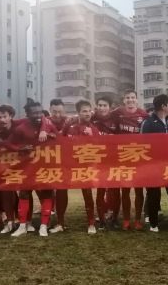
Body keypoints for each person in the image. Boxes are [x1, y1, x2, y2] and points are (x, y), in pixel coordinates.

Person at [9, 102, 58, 237]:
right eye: (34, 113)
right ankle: (22, 225)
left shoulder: (47, 124)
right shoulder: (21, 129)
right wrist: (20, 149)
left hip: (45, 166)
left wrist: (50, 135)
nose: (38, 115)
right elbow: (10, 144)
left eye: (40, 112)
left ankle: (43, 226)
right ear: (27, 114)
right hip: (28, 167)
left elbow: (58, 138)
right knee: (24, 194)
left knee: (47, 194)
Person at [140, 94, 168, 232]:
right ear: (163, 106)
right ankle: (153, 223)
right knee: (153, 194)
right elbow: (143, 145)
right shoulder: (148, 123)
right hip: (154, 165)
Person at [111, 90, 148, 230]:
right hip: (123, 157)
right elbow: (102, 117)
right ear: (124, 100)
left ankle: (138, 219)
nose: (130, 100)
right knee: (125, 190)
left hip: (138, 157)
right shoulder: (117, 112)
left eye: (133, 97)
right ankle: (126, 219)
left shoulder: (144, 114)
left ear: (137, 100)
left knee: (139, 191)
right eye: (128, 98)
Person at [63, 100, 100, 234]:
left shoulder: (94, 129)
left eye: (89, 110)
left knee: (88, 195)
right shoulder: (70, 127)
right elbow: (63, 144)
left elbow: (100, 148)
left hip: (86, 167)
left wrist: (92, 136)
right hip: (70, 167)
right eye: (84, 111)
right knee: (62, 191)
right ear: (78, 112)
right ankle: (60, 222)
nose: (87, 113)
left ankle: (91, 223)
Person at [91, 95, 117, 229]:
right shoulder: (91, 118)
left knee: (113, 191)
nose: (102, 108)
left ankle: (112, 217)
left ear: (110, 107)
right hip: (98, 161)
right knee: (100, 191)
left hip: (113, 161)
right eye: (100, 105)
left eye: (105, 105)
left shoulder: (115, 119)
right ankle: (101, 218)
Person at [0, 105, 19, 234]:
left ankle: (24, 220)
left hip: (23, 165)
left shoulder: (19, 126)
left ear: (11, 116)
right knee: (6, 192)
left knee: (26, 193)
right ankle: (9, 221)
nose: (1, 120)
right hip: (5, 166)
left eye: (4, 116)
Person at [47, 98, 70, 234]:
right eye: (54, 112)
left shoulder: (69, 121)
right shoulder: (44, 121)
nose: (57, 115)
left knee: (62, 190)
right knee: (48, 191)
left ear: (64, 111)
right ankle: (47, 216)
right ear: (50, 110)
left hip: (64, 162)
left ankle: (61, 221)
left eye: (60, 112)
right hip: (48, 161)